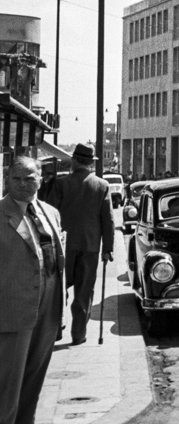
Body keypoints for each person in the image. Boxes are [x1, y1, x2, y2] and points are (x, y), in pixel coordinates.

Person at [0, 156, 67, 424]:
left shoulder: (50, 212)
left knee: (35, 371)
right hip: (13, 305)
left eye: (29, 178)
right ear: (6, 180)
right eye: (16, 179)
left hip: (48, 301)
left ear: (41, 178)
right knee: (6, 378)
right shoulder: (1, 214)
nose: (23, 184)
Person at [43, 144, 113, 346]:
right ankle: (78, 334)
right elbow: (107, 220)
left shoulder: (61, 184)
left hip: (63, 245)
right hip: (90, 246)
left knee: (58, 290)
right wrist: (107, 249)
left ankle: (55, 330)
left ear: (74, 161)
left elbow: (49, 213)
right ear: (91, 163)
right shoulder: (102, 186)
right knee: (84, 291)